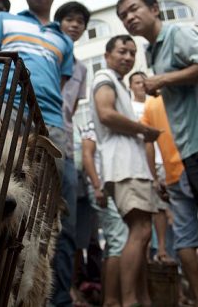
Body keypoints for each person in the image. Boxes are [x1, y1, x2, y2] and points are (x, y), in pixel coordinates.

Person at [116, 0, 198, 305]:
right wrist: (166, 85)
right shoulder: (153, 51)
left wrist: (164, 81)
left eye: (134, 9)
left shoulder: (177, 33)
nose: (129, 18)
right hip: (190, 148)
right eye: (123, 16)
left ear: (154, 8)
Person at [0, 0, 75, 306]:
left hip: (51, 124)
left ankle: (31, 290)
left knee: (45, 207)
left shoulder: (64, 40)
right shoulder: (4, 21)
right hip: (7, 107)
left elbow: (60, 85)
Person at [141, 95, 198, 307]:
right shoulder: (188, 89)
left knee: (185, 237)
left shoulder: (151, 105)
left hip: (172, 174)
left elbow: (148, 141)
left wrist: (155, 177)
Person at [90, 34, 161, 306]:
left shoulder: (117, 82)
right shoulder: (104, 77)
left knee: (140, 233)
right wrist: (145, 130)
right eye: (122, 51)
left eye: (132, 53)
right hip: (124, 166)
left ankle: (141, 299)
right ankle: (130, 301)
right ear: (108, 55)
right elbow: (106, 114)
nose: (128, 57)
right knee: (141, 231)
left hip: (129, 167)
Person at [53, 1, 90, 304]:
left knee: (66, 227)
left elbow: (72, 109)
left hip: (65, 146)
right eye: (69, 19)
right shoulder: (47, 51)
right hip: (37, 137)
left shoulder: (82, 69)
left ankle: (61, 296)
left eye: (80, 21)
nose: (75, 25)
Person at [81, 121, 127, 307]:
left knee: (113, 243)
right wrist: (97, 186)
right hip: (101, 188)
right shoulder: (92, 124)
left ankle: (109, 297)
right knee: (118, 239)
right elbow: (87, 155)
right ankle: (112, 301)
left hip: (112, 188)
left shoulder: (111, 128)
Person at [129, 71, 173, 266]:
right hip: (139, 162)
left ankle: (163, 249)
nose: (140, 85)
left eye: (143, 81)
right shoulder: (129, 108)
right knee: (145, 208)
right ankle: (145, 253)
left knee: (163, 207)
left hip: (163, 159)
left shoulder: (157, 103)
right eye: (136, 82)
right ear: (130, 86)